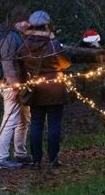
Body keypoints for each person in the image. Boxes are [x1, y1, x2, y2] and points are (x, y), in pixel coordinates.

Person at [19, 11, 71, 168]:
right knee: (54, 124)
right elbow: (65, 63)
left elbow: (22, 63)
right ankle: (53, 159)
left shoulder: (25, 44)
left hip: (35, 88)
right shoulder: (52, 43)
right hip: (54, 87)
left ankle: (36, 161)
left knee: (36, 124)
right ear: (47, 25)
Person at [0, 7, 31, 170]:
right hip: (10, 86)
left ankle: (20, 153)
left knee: (24, 118)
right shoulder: (9, 37)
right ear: (17, 21)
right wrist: (14, 84)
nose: (28, 24)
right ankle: (1, 158)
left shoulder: (17, 36)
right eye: (25, 21)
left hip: (19, 85)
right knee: (10, 120)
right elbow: (7, 62)